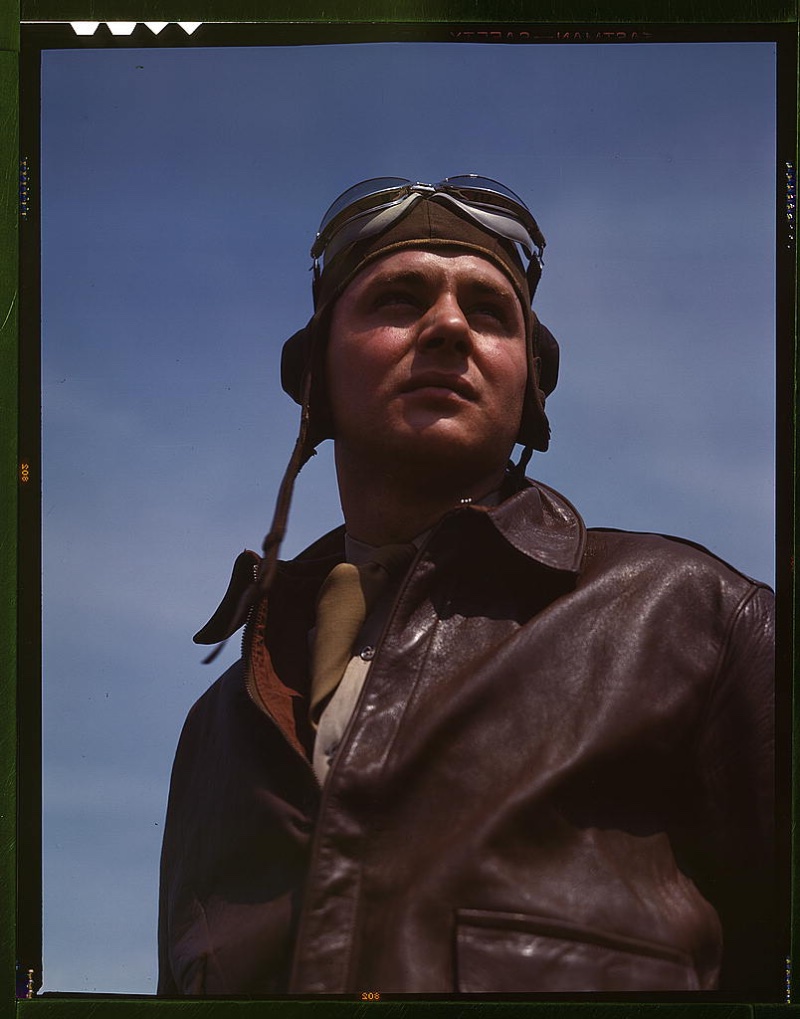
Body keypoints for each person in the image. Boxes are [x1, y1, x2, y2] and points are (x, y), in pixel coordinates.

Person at [157, 176, 777, 997]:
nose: (449, 326)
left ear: (529, 388)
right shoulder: (221, 726)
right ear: (314, 378)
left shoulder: (696, 620)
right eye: (399, 297)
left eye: (489, 311)